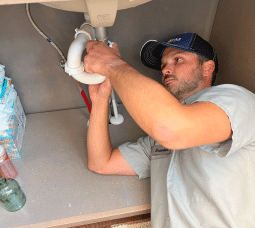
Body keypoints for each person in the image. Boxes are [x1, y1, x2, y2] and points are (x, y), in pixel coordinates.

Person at [84, 33, 255, 227]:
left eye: (178, 59)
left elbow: (171, 129)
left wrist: (112, 64)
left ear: (207, 67)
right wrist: (99, 101)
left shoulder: (237, 100)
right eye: (163, 64)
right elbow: (101, 162)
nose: (165, 69)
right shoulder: (159, 141)